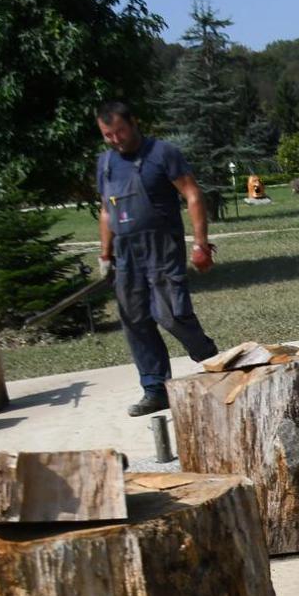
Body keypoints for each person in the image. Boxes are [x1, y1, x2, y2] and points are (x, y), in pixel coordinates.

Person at [94, 99, 220, 416]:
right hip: (125, 252)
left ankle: (210, 358)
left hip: (161, 246)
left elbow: (192, 194)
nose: (115, 140)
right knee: (135, 319)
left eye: (119, 131)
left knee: (170, 313)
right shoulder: (106, 163)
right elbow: (106, 212)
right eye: (108, 135)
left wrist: (200, 243)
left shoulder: (162, 153)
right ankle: (154, 389)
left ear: (133, 123)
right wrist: (105, 254)